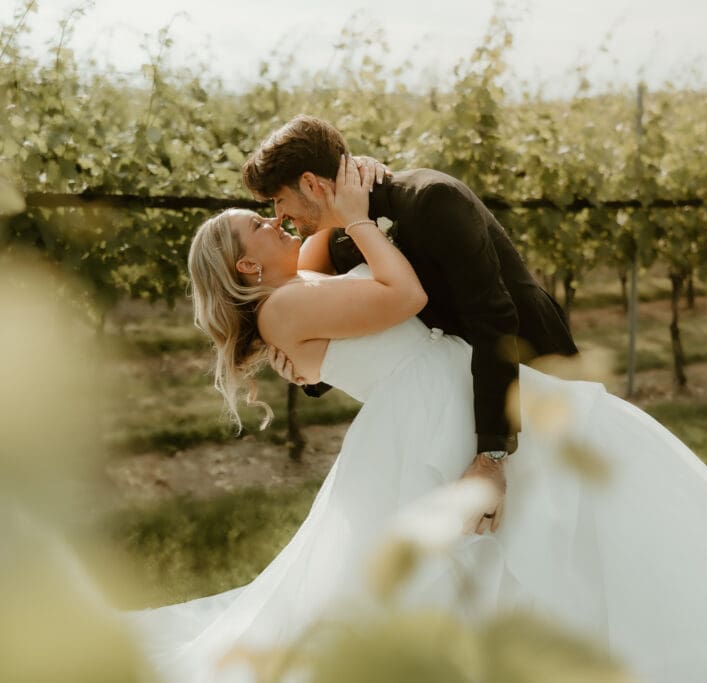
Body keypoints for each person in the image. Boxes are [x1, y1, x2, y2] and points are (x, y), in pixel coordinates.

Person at [124, 155, 707, 682]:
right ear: (247, 264)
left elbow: (315, 246)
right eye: (258, 224)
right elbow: (403, 295)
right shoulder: (282, 307)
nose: (273, 220)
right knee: (488, 557)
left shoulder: (295, 282)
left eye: (271, 207)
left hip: (442, 391)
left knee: (517, 547)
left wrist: (343, 197)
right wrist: (362, 219)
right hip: (431, 410)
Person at [241, 115, 579, 532]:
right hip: (461, 395)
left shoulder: (432, 199)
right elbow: (371, 329)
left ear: (311, 184)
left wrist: (492, 456)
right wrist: (311, 371)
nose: (278, 217)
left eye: (278, 200)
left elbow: (494, 319)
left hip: (532, 371)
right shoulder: (344, 239)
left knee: (562, 524)